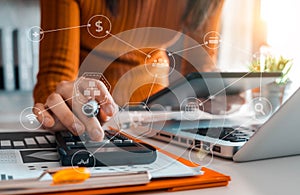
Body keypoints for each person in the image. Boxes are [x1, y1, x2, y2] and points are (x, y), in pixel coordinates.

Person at [34, 0, 242, 141]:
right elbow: (56, 74)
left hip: (159, 117)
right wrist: (59, 104)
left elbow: (201, 67)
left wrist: (212, 94)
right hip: (90, 110)